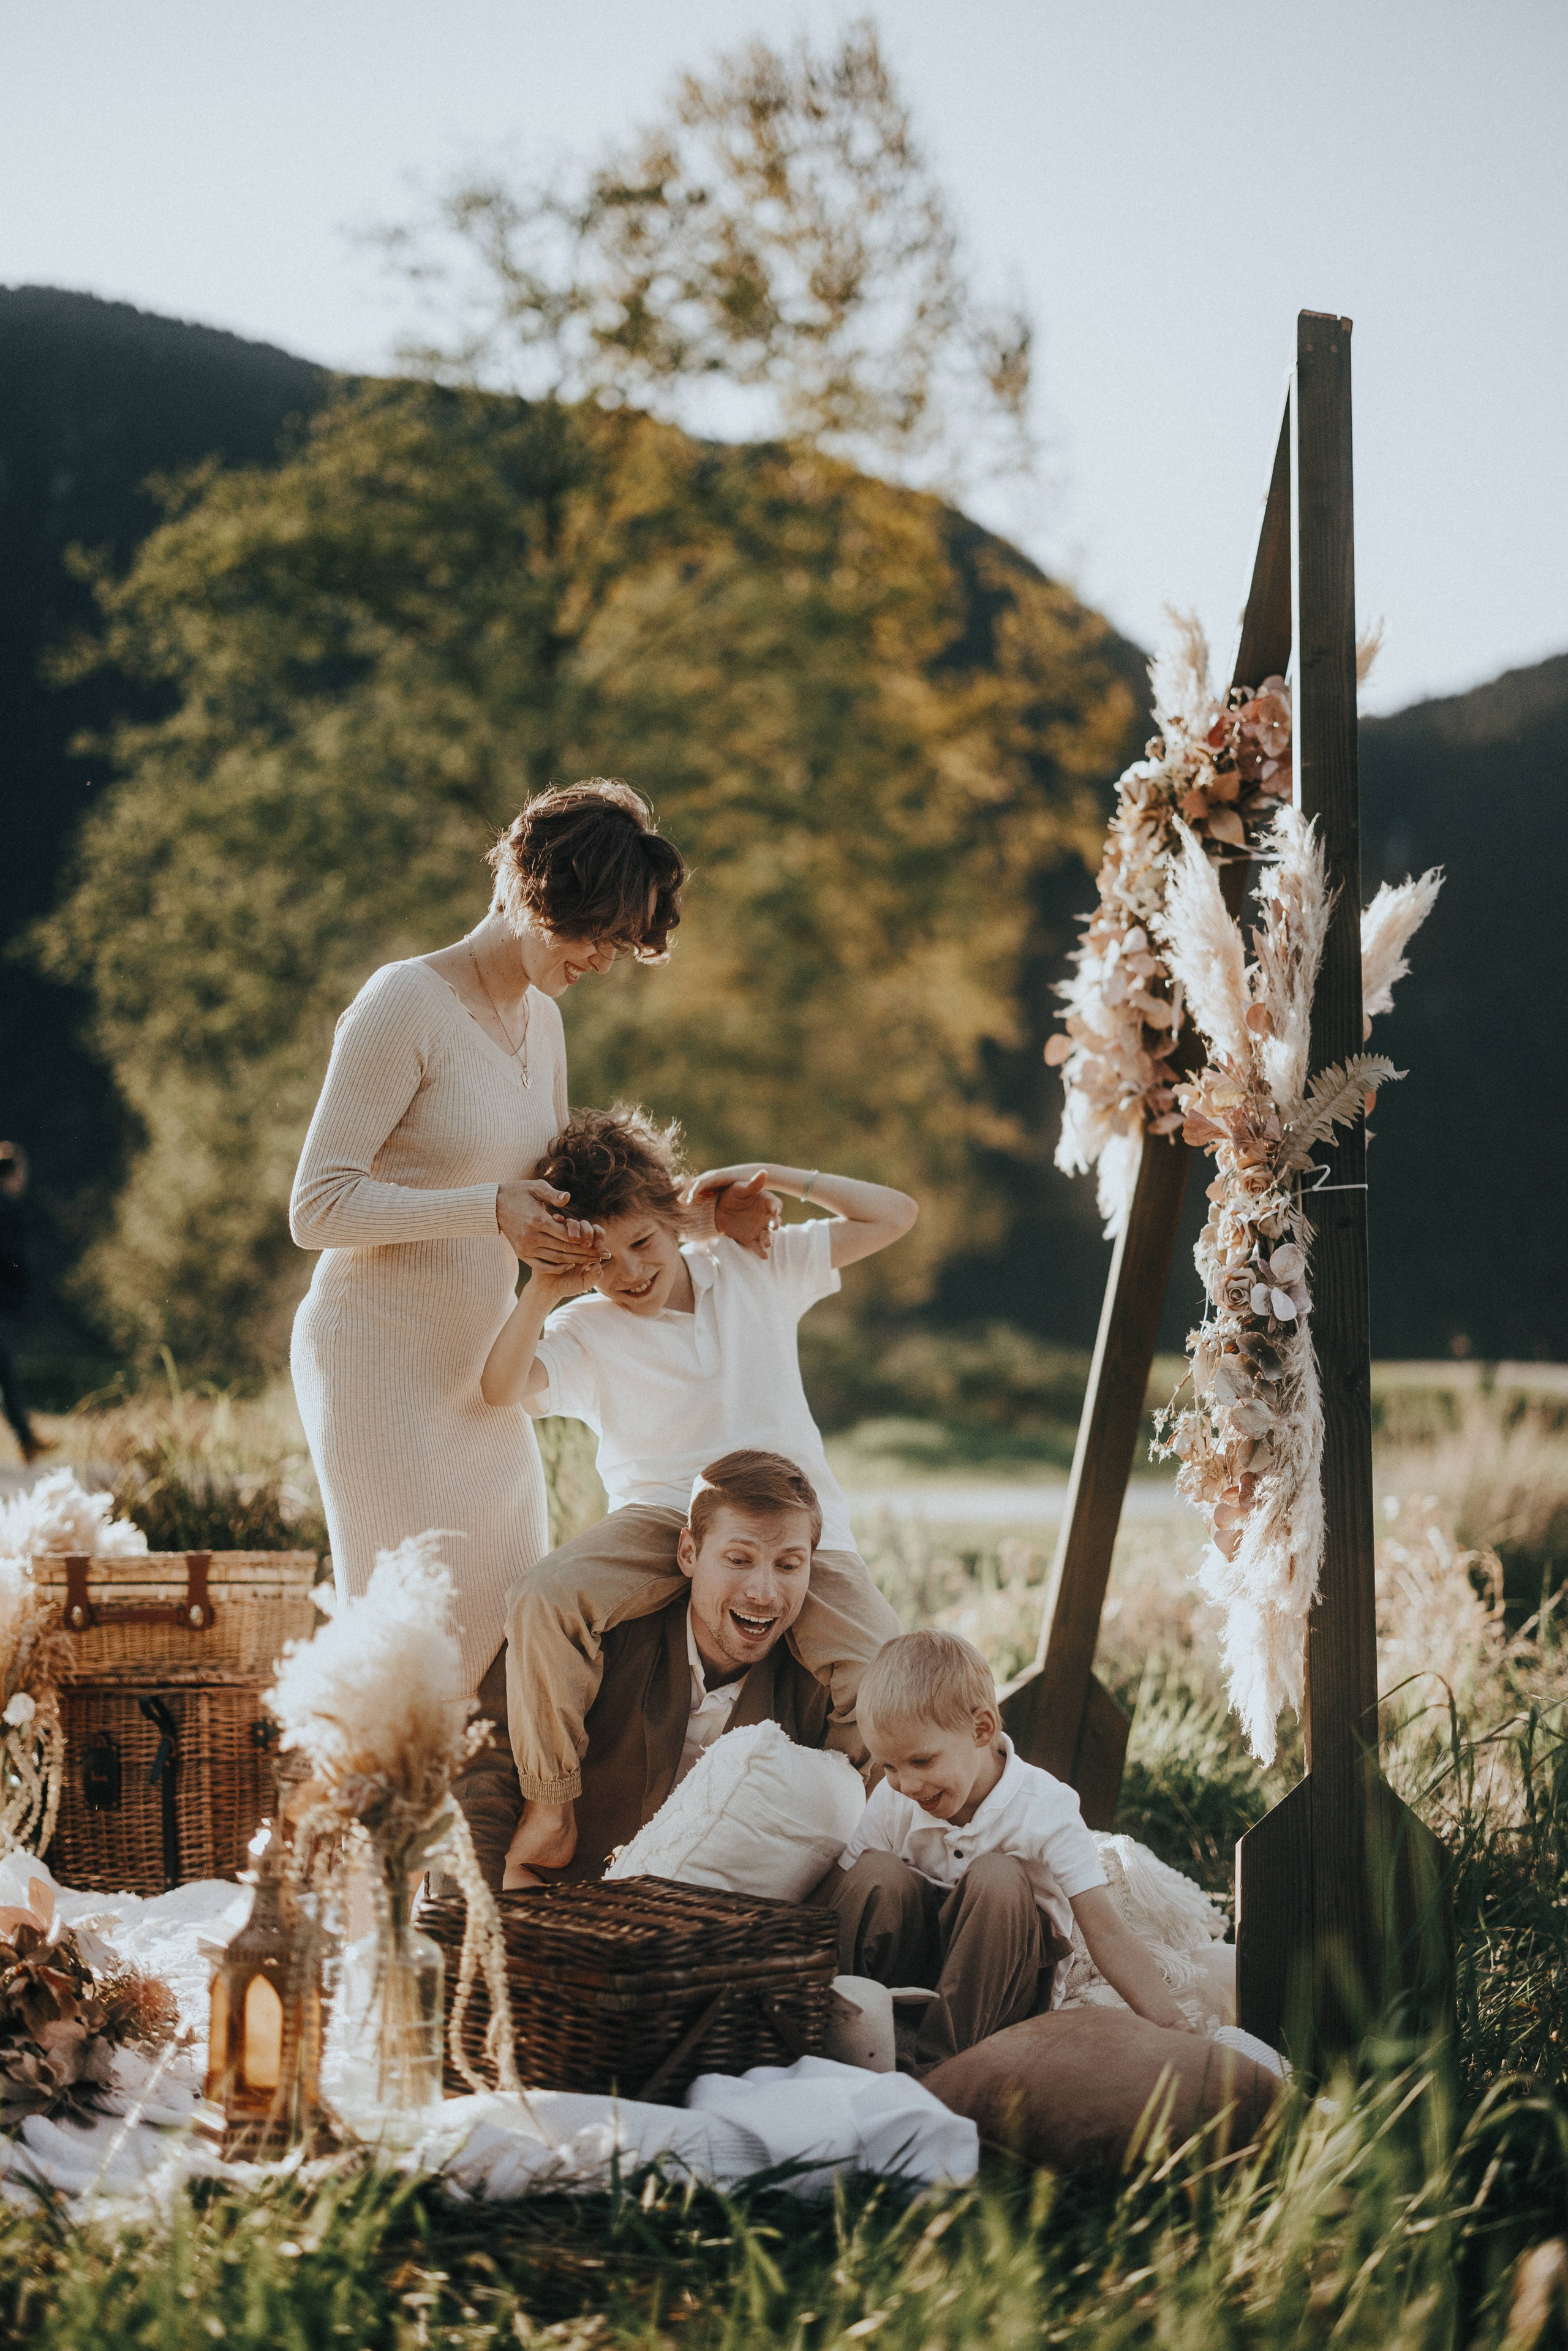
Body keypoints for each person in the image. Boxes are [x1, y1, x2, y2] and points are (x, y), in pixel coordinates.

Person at [288, 780, 768, 1696]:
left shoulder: (542, 1023)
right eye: (589, 932)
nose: (601, 958)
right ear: (528, 890)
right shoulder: (403, 1003)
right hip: (376, 1361)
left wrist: (700, 1218)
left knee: (510, 1626)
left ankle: (477, 1837)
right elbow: (318, 1206)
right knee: (405, 1649)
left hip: (481, 1374)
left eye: (617, 942)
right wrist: (485, 1209)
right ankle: (368, 1837)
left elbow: (569, 1196)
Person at [478, 1106, 911, 1884]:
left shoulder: (756, 1264)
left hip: (792, 1525)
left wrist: (765, 1178)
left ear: (677, 1217)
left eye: (642, 1243)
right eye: (603, 1260)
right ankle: (553, 1806)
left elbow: (895, 1214)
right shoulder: (589, 1324)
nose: (630, 1273)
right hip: (661, 1515)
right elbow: (501, 1384)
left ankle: (875, 1853)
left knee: (886, 1674)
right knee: (545, 1596)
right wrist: (545, 1290)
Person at [453, 1449, 832, 1889]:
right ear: (689, 1554)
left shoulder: (819, 1688)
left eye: (788, 1566)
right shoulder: (593, 1637)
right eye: (738, 1560)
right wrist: (462, 1905)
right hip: (555, 1898)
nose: (764, 1593)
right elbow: (488, 1760)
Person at [829, 1630, 1197, 2071]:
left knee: (998, 1877)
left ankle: (940, 2068)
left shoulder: (1045, 1807)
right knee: (875, 1873)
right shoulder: (898, 1799)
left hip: (1003, 1983)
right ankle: (838, 2031)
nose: (906, 1785)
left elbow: (1106, 1930)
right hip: (917, 1974)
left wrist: (1175, 2026)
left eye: (922, 1762)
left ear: (981, 1729)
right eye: (888, 1766)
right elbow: (839, 1898)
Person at [0, 1145, 49, 1464]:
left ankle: (27, 1439)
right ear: (14, 1174)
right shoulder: (5, 1208)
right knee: (6, 1370)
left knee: (6, 1372)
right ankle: (27, 1439)